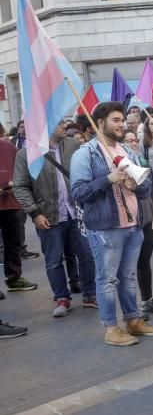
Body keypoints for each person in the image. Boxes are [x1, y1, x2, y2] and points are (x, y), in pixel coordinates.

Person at [69, 102, 153, 346]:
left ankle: (132, 320)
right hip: (105, 229)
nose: (121, 125)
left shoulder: (128, 152)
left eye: (122, 120)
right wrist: (107, 179)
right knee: (107, 279)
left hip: (133, 226)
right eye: (116, 120)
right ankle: (111, 328)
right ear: (100, 123)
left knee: (129, 277)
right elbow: (78, 192)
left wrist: (137, 186)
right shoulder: (84, 153)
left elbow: (146, 186)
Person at [13, 120, 96, 317]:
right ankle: (62, 298)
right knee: (53, 260)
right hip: (48, 215)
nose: (64, 125)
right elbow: (20, 186)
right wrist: (34, 212)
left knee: (87, 255)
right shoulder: (26, 154)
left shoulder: (75, 146)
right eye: (58, 122)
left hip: (76, 213)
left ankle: (90, 294)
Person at [124, 130, 153, 316]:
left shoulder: (143, 163)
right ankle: (132, 307)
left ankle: (147, 299)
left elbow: (151, 189)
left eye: (134, 140)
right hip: (130, 221)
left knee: (144, 262)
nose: (133, 143)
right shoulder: (118, 166)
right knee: (129, 266)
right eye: (128, 140)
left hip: (147, 217)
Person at [0, 136, 38, 294]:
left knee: (14, 244)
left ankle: (14, 279)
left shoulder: (8, 147)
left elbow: (20, 170)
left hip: (11, 203)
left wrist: (14, 183)